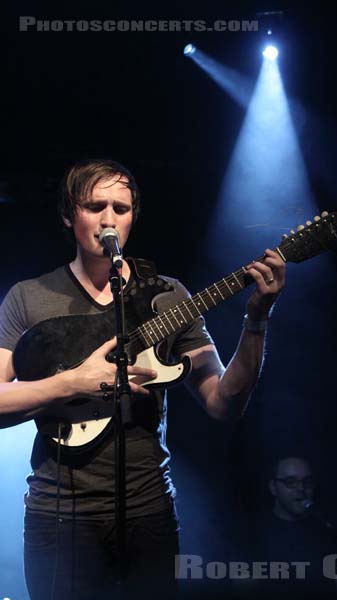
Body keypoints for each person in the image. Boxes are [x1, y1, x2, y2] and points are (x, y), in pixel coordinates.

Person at [0, 158, 286, 600]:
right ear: (68, 214)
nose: (109, 219)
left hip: (150, 509)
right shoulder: (28, 297)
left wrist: (256, 320)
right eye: (95, 206)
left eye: (121, 207)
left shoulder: (169, 296)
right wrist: (73, 383)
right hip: (58, 515)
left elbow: (223, 402)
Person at [252, 456, 337, 599]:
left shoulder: (330, 532)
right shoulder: (253, 535)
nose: (301, 488)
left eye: (307, 482)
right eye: (291, 482)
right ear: (273, 488)